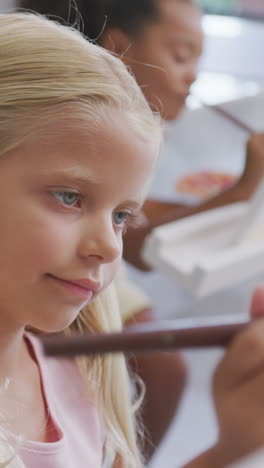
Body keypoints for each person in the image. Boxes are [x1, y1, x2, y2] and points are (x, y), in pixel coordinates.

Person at [2, 11, 264, 468]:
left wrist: (232, 444)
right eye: (69, 197)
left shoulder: (80, 380)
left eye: (123, 216)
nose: (110, 247)